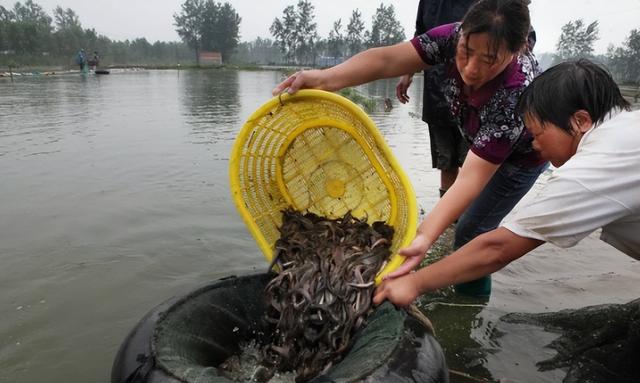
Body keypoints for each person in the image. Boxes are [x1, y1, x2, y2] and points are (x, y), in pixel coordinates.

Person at [273, 0, 547, 297]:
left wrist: (424, 235)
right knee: (461, 216)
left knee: (471, 231)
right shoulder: (451, 37)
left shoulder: (516, 91)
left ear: (516, 50)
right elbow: (386, 61)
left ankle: (469, 308)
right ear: (462, 33)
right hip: (480, 137)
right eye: (466, 51)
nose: (470, 68)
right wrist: (325, 78)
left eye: (489, 60)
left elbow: (471, 178)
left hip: (522, 158)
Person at [373, 59, 638, 307]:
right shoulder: (627, 128)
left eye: (537, 133)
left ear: (580, 120)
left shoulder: (595, 166)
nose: (534, 144)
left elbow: (498, 248)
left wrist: (416, 283)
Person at [396, 0, 478, 198]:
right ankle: (449, 221)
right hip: (437, 89)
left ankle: (469, 221)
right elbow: (420, 37)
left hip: (474, 92)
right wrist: (407, 72)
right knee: (446, 162)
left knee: (474, 162)